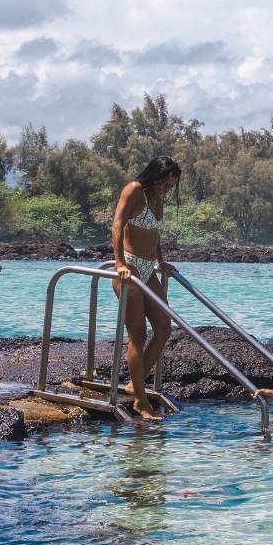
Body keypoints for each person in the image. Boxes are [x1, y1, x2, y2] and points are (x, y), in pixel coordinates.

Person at [110, 155, 182, 420]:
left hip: (149, 268)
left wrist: (161, 262)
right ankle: (141, 402)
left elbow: (154, 233)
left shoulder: (157, 197)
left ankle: (135, 383)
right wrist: (119, 263)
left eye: (170, 184)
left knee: (164, 328)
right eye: (164, 182)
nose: (166, 188)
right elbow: (117, 225)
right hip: (128, 267)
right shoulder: (134, 190)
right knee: (137, 335)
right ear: (154, 175)